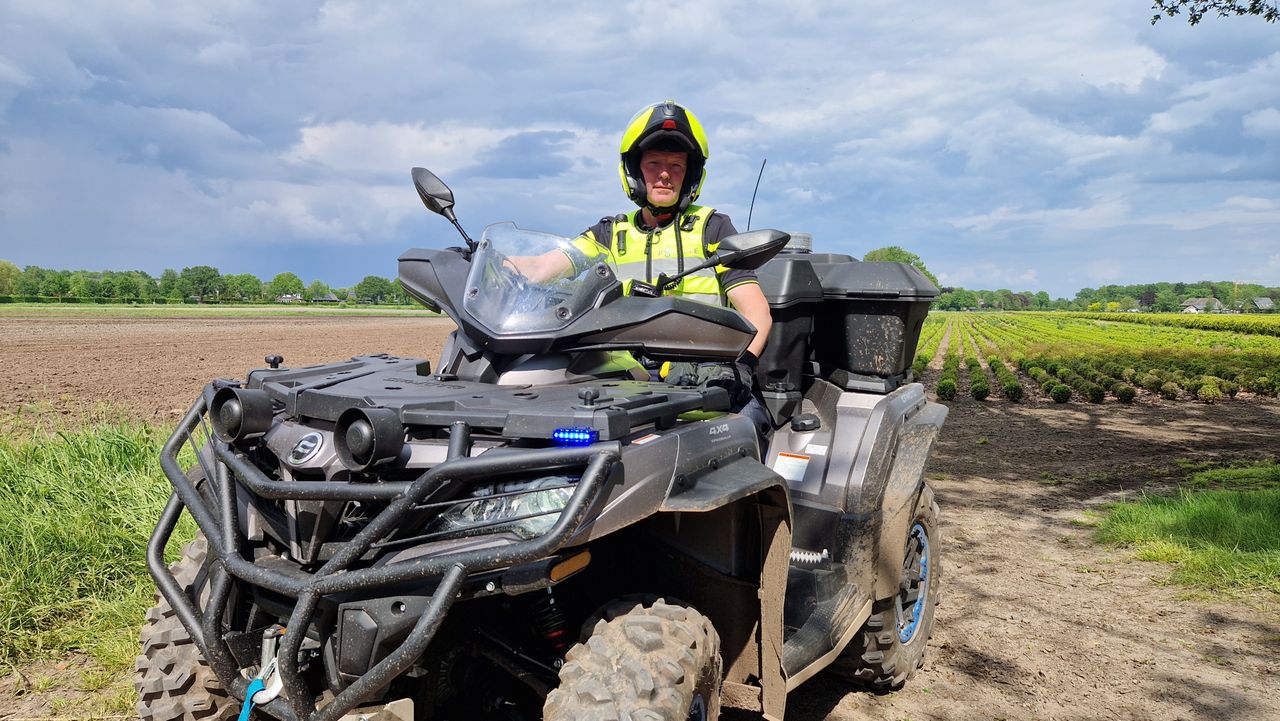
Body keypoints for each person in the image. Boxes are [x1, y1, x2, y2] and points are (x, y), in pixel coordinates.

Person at [509, 100, 773, 436]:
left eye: (676, 166)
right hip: (628, 379)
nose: (665, 174)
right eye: (654, 163)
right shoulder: (611, 233)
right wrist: (489, 262)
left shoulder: (712, 227)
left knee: (747, 429)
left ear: (691, 175)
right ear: (635, 171)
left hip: (706, 379)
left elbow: (758, 314)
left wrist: (740, 367)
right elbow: (542, 266)